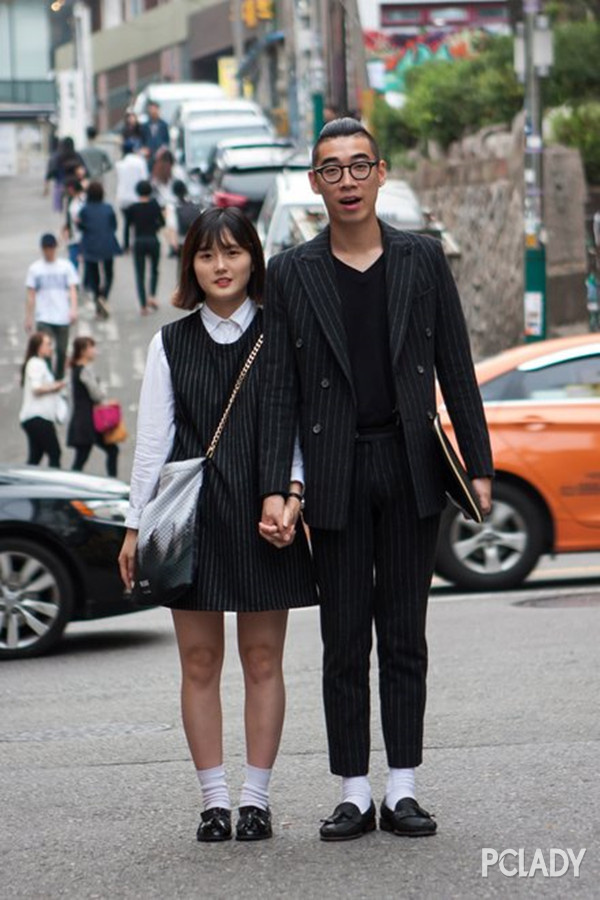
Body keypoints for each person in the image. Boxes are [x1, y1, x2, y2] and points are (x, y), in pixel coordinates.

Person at [258, 118, 493, 840]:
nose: (348, 181)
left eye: (360, 165)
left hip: (409, 462)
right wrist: (276, 485)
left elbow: (456, 365)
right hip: (333, 469)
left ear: (381, 172)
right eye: (332, 169)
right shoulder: (291, 272)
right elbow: (279, 388)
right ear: (315, 184)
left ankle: (403, 788)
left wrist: (480, 465)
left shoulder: (421, 258)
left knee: (403, 635)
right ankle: (354, 791)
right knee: (342, 639)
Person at [118, 208, 316, 843]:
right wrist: (134, 526)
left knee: (262, 659)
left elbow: (295, 430)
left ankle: (255, 799)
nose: (221, 266)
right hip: (191, 522)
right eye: (207, 255)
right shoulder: (169, 343)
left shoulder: (281, 333)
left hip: (264, 514)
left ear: (254, 258)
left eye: (233, 252)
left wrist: (292, 495)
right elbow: (152, 444)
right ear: (191, 266)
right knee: (199, 661)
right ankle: (213, 801)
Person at [25, 232, 79, 379]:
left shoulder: (65, 266)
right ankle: (48, 379)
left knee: (61, 351)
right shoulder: (35, 269)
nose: (49, 252)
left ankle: (59, 378)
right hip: (44, 316)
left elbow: (73, 289)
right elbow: (31, 294)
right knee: (45, 351)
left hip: (62, 315)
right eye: (46, 249)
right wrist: (29, 317)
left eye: (51, 248)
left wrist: (73, 309)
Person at [67, 336, 119, 477]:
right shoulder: (84, 371)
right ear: (83, 351)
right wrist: (103, 390)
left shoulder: (76, 369)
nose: (95, 351)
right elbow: (97, 395)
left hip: (84, 420)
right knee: (107, 451)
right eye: (91, 347)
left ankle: (111, 481)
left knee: (83, 457)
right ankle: (112, 482)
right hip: (88, 421)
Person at [20, 331, 66, 468]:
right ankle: (53, 480)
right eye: (47, 344)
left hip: (36, 418)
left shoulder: (39, 363)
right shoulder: (36, 363)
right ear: (38, 346)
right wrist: (55, 386)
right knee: (55, 453)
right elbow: (37, 387)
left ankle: (24, 479)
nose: (50, 348)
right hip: (38, 417)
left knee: (35, 457)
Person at [78, 181, 122, 319]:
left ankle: (98, 300)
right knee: (109, 273)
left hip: (90, 245)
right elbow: (114, 225)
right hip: (107, 244)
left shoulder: (84, 210)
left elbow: (81, 227)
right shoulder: (108, 208)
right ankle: (104, 296)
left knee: (93, 276)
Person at [126, 179, 165, 314]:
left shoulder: (132, 208)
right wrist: (155, 227)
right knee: (154, 270)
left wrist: (126, 245)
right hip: (153, 240)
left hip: (139, 241)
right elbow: (162, 223)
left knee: (140, 274)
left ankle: (143, 305)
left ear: (137, 192)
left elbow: (127, 227)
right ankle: (152, 296)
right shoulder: (155, 206)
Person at [115, 139, 149, 251]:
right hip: (137, 197)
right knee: (138, 223)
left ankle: (126, 245)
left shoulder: (120, 164)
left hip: (123, 197)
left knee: (127, 222)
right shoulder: (140, 162)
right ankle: (137, 244)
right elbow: (144, 178)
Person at [44, 137, 86, 213]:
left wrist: (46, 187)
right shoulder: (77, 155)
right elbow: (84, 169)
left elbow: (50, 172)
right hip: (75, 185)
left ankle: (61, 212)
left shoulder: (56, 156)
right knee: (77, 204)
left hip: (60, 184)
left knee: (59, 207)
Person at [165, 178, 201, 258]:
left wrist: (173, 243)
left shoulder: (172, 206)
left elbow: (171, 226)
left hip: (181, 240)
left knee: (182, 263)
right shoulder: (194, 204)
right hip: (194, 240)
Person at [62, 178, 86, 271]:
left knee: (87, 264)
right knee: (72, 265)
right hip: (73, 237)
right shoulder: (70, 200)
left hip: (84, 236)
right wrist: (66, 229)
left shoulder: (84, 199)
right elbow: (68, 217)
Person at [140, 101, 170, 168]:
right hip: (148, 156)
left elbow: (167, 141)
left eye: (154, 109)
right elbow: (142, 141)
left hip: (161, 156)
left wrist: (162, 150)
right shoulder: (144, 126)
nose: (153, 111)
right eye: (151, 109)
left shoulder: (164, 125)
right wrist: (144, 149)